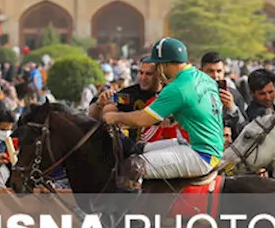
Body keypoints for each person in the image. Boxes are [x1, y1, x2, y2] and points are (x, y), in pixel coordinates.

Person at [102, 38, 226, 189]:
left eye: (158, 65)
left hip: (200, 154)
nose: (158, 71)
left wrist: (115, 117)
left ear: (165, 64)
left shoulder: (177, 87)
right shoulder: (203, 78)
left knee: (132, 166)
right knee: (139, 148)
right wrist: (175, 118)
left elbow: (143, 119)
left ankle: (127, 212)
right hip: (208, 147)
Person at [89, 58, 159, 140]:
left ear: (159, 75)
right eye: (140, 73)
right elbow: (97, 116)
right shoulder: (128, 96)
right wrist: (99, 103)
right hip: (138, 149)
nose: (143, 77)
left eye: (148, 74)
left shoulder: (169, 93)